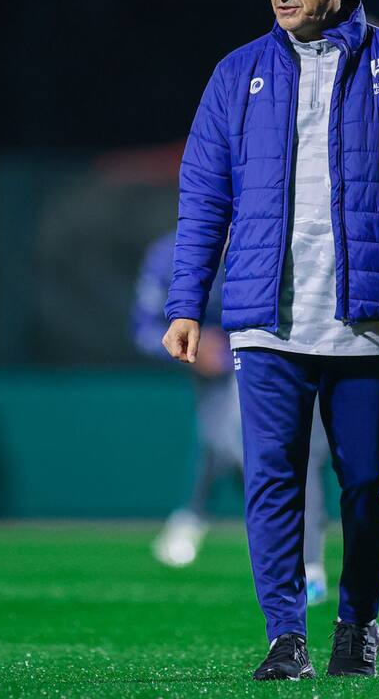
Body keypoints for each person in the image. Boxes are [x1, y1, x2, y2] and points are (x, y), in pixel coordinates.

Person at [162, 0, 379, 680]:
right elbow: (203, 196)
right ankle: (285, 636)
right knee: (273, 479)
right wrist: (186, 303)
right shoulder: (236, 74)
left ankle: (358, 623)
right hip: (265, 320)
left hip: (365, 319)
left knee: (366, 480)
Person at [133, 230, 331, 580]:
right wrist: (190, 348)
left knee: (268, 445)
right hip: (209, 372)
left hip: (275, 355)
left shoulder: (273, 243)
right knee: (227, 438)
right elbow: (144, 330)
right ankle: (214, 519)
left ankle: (194, 516)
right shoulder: (169, 256)